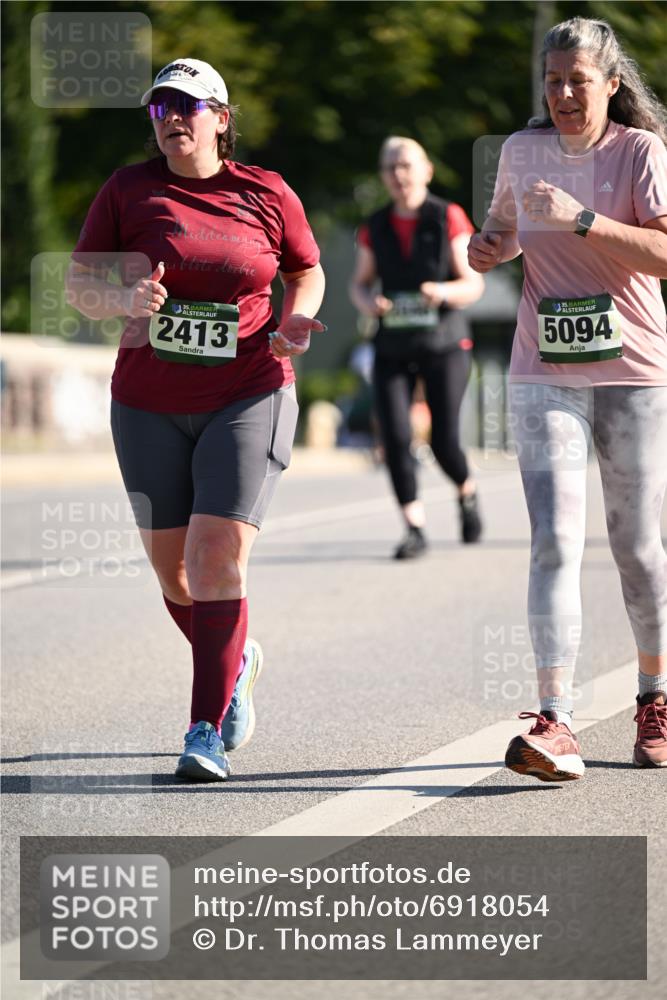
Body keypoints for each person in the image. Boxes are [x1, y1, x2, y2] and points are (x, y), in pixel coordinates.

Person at [66, 58, 325, 781]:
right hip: (146, 400)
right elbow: (81, 282)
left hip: (249, 389)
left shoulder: (265, 191)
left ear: (221, 117)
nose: (173, 118)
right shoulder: (128, 189)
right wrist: (121, 301)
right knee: (175, 574)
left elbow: (305, 269)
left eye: (188, 106)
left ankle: (204, 730)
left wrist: (296, 319)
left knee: (215, 557)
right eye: (161, 108)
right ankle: (235, 658)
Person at [468, 17, 667, 779]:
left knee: (635, 546)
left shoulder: (638, 152)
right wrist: (487, 248)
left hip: (630, 369)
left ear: (609, 84)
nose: (561, 94)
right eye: (551, 81)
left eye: (576, 81)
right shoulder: (521, 151)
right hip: (542, 369)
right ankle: (556, 719)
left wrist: (581, 220)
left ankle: (653, 695)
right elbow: (505, 230)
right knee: (553, 539)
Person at [349, 137, 485, 559]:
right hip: (392, 344)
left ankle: (466, 491)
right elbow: (359, 284)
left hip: (445, 342)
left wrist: (440, 292)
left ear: (427, 171)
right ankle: (414, 527)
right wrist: (369, 302)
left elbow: (473, 284)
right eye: (390, 167)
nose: (398, 174)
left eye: (406, 165)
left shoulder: (448, 216)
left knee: (444, 441)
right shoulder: (374, 224)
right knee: (395, 436)